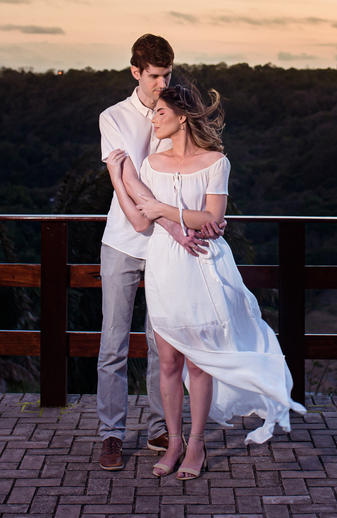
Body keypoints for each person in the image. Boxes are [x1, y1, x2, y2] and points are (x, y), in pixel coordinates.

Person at [105, 81, 304, 481]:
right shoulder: (151, 164)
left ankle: (195, 445)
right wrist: (115, 174)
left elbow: (212, 219)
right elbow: (140, 218)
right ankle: (173, 441)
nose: (154, 119)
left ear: (181, 116)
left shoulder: (216, 162)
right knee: (166, 361)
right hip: (164, 265)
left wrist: (165, 207)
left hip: (202, 266)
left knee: (198, 363)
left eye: (160, 112)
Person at [96, 35, 224, 472]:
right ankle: (110, 434)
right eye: (154, 75)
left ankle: (160, 428)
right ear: (136, 72)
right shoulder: (113, 117)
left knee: (161, 345)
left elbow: (189, 174)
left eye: (167, 75)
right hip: (123, 240)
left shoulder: (171, 111)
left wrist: (202, 221)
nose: (161, 82)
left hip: (168, 250)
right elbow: (131, 178)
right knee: (113, 342)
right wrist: (178, 224)